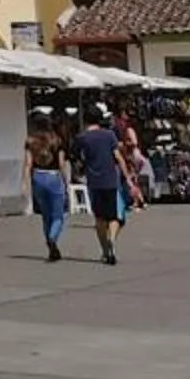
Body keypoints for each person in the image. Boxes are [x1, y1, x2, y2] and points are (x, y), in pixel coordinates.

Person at [73, 105, 127, 265]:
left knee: (99, 218)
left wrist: (81, 169)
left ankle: (104, 250)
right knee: (115, 217)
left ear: (85, 120)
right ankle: (112, 239)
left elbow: (76, 157)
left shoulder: (82, 138)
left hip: (94, 182)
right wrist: (128, 177)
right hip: (111, 180)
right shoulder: (109, 135)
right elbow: (118, 157)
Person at [26, 109, 72, 263]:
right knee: (58, 214)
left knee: (46, 216)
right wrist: (66, 182)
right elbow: (61, 164)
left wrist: (25, 183)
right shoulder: (56, 141)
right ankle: (53, 238)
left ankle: (50, 246)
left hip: (38, 176)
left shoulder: (30, 142)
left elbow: (27, 164)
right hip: (53, 178)